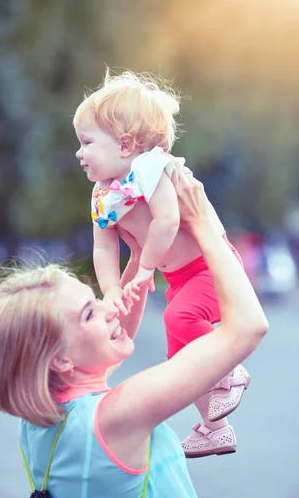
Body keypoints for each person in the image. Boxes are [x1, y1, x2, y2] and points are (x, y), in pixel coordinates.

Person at [0, 162, 268, 498]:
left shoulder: (41, 423)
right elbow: (248, 327)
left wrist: (139, 254)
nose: (108, 310)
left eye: (96, 299)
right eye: (89, 314)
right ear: (61, 360)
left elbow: (113, 324)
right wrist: (203, 221)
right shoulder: (116, 417)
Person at [73, 70, 252, 456]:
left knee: (179, 320)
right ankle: (215, 427)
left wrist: (146, 267)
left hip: (209, 266)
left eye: (86, 142)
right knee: (181, 356)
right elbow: (104, 248)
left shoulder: (152, 167)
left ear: (125, 145)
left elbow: (168, 219)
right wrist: (113, 289)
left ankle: (229, 368)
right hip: (181, 279)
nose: (79, 152)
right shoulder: (102, 196)